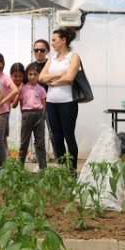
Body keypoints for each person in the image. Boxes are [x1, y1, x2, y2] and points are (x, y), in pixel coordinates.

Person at [39, 28, 80, 171]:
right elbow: (41, 77)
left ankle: (72, 170)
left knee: (69, 136)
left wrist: (53, 82)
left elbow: (70, 77)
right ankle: (62, 169)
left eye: (54, 40)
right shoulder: (52, 59)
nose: (52, 43)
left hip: (67, 102)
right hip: (51, 102)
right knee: (56, 137)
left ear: (64, 40)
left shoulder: (73, 57)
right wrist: (59, 75)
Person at [0, 52, 19, 169]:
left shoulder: (5, 77)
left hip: (1, 113)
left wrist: (3, 101)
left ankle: (2, 167)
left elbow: (15, 90)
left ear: (1, 64)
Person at [18, 63, 47, 170]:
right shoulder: (23, 88)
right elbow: (21, 102)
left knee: (40, 142)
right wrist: (24, 114)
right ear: (27, 75)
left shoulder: (41, 89)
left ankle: (43, 167)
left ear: (39, 75)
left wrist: (41, 114)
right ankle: (20, 167)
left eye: (35, 74)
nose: (32, 77)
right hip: (27, 114)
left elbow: (43, 103)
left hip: (38, 114)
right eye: (30, 74)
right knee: (24, 142)